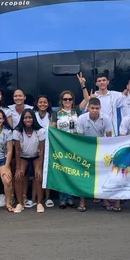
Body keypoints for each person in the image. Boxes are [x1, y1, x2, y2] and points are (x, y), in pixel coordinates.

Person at [51, 80, 91, 209]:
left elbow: (87, 99)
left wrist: (82, 85)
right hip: (61, 146)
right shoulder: (56, 113)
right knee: (63, 172)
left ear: (72, 100)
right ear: (61, 101)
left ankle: (71, 199)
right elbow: (53, 130)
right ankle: (62, 199)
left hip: (75, 146)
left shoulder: (77, 111)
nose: (67, 101)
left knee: (74, 172)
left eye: (70, 99)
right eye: (65, 99)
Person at [76, 98, 113, 211]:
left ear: (100, 108)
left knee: (104, 175)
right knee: (84, 175)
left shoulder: (106, 118)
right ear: (88, 108)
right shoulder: (81, 119)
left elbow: (109, 137)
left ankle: (105, 200)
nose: (94, 110)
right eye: (92, 108)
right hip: (86, 149)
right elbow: (80, 138)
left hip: (101, 149)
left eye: (97, 108)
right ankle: (82, 201)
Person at [13, 109, 47, 213]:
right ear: (22, 119)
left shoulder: (40, 131)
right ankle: (20, 203)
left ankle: (39, 202)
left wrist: (40, 167)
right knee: (18, 176)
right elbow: (17, 150)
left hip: (36, 156)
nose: (28, 120)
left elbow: (41, 150)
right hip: (23, 156)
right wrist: (18, 168)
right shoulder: (17, 131)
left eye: (30, 117)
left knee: (38, 175)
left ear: (34, 119)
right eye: (26, 118)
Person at [33, 95, 54, 207]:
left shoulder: (51, 115)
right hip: (34, 147)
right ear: (37, 104)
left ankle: (48, 198)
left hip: (49, 147)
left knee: (47, 171)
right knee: (37, 172)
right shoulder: (33, 115)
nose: (42, 104)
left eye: (45, 102)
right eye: (40, 102)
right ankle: (35, 199)